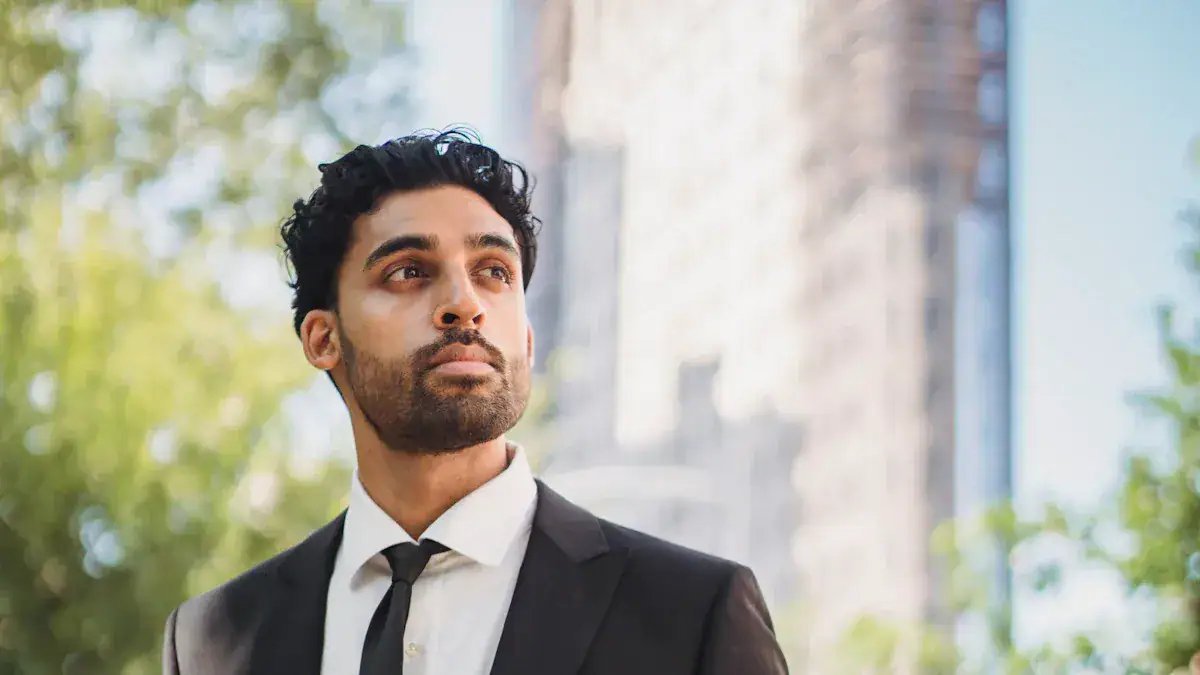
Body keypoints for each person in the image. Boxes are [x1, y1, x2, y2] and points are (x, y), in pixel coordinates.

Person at [161, 129, 789, 675]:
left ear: (527, 339)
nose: (465, 303)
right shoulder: (208, 643)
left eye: (494, 272)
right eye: (408, 271)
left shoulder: (692, 613)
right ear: (324, 339)